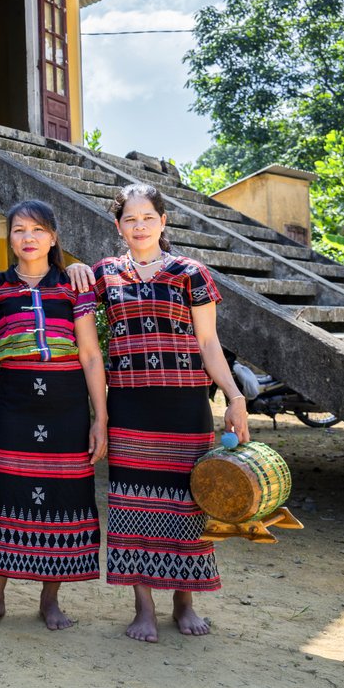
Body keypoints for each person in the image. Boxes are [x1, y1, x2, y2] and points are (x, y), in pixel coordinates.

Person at [92, 183, 248, 643]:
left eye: (147, 218)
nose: (139, 227)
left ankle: (184, 601)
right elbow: (76, 314)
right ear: (118, 226)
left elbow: (207, 343)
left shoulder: (191, 272)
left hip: (184, 405)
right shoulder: (105, 274)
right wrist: (78, 266)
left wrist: (235, 397)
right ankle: (143, 607)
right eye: (129, 220)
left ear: (164, 221)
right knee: (132, 503)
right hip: (129, 404)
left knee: (186, 502)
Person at [0, 200, 108, 631]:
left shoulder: (73, 284)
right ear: (9, 238)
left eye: (37, 229)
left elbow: (89, 353)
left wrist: (99, 416)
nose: (27, 238)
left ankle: (50, 601)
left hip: (67, 401)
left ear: (52, 236)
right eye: (18, 230)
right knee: (7, 494)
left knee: (65, 497)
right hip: (15, 399)